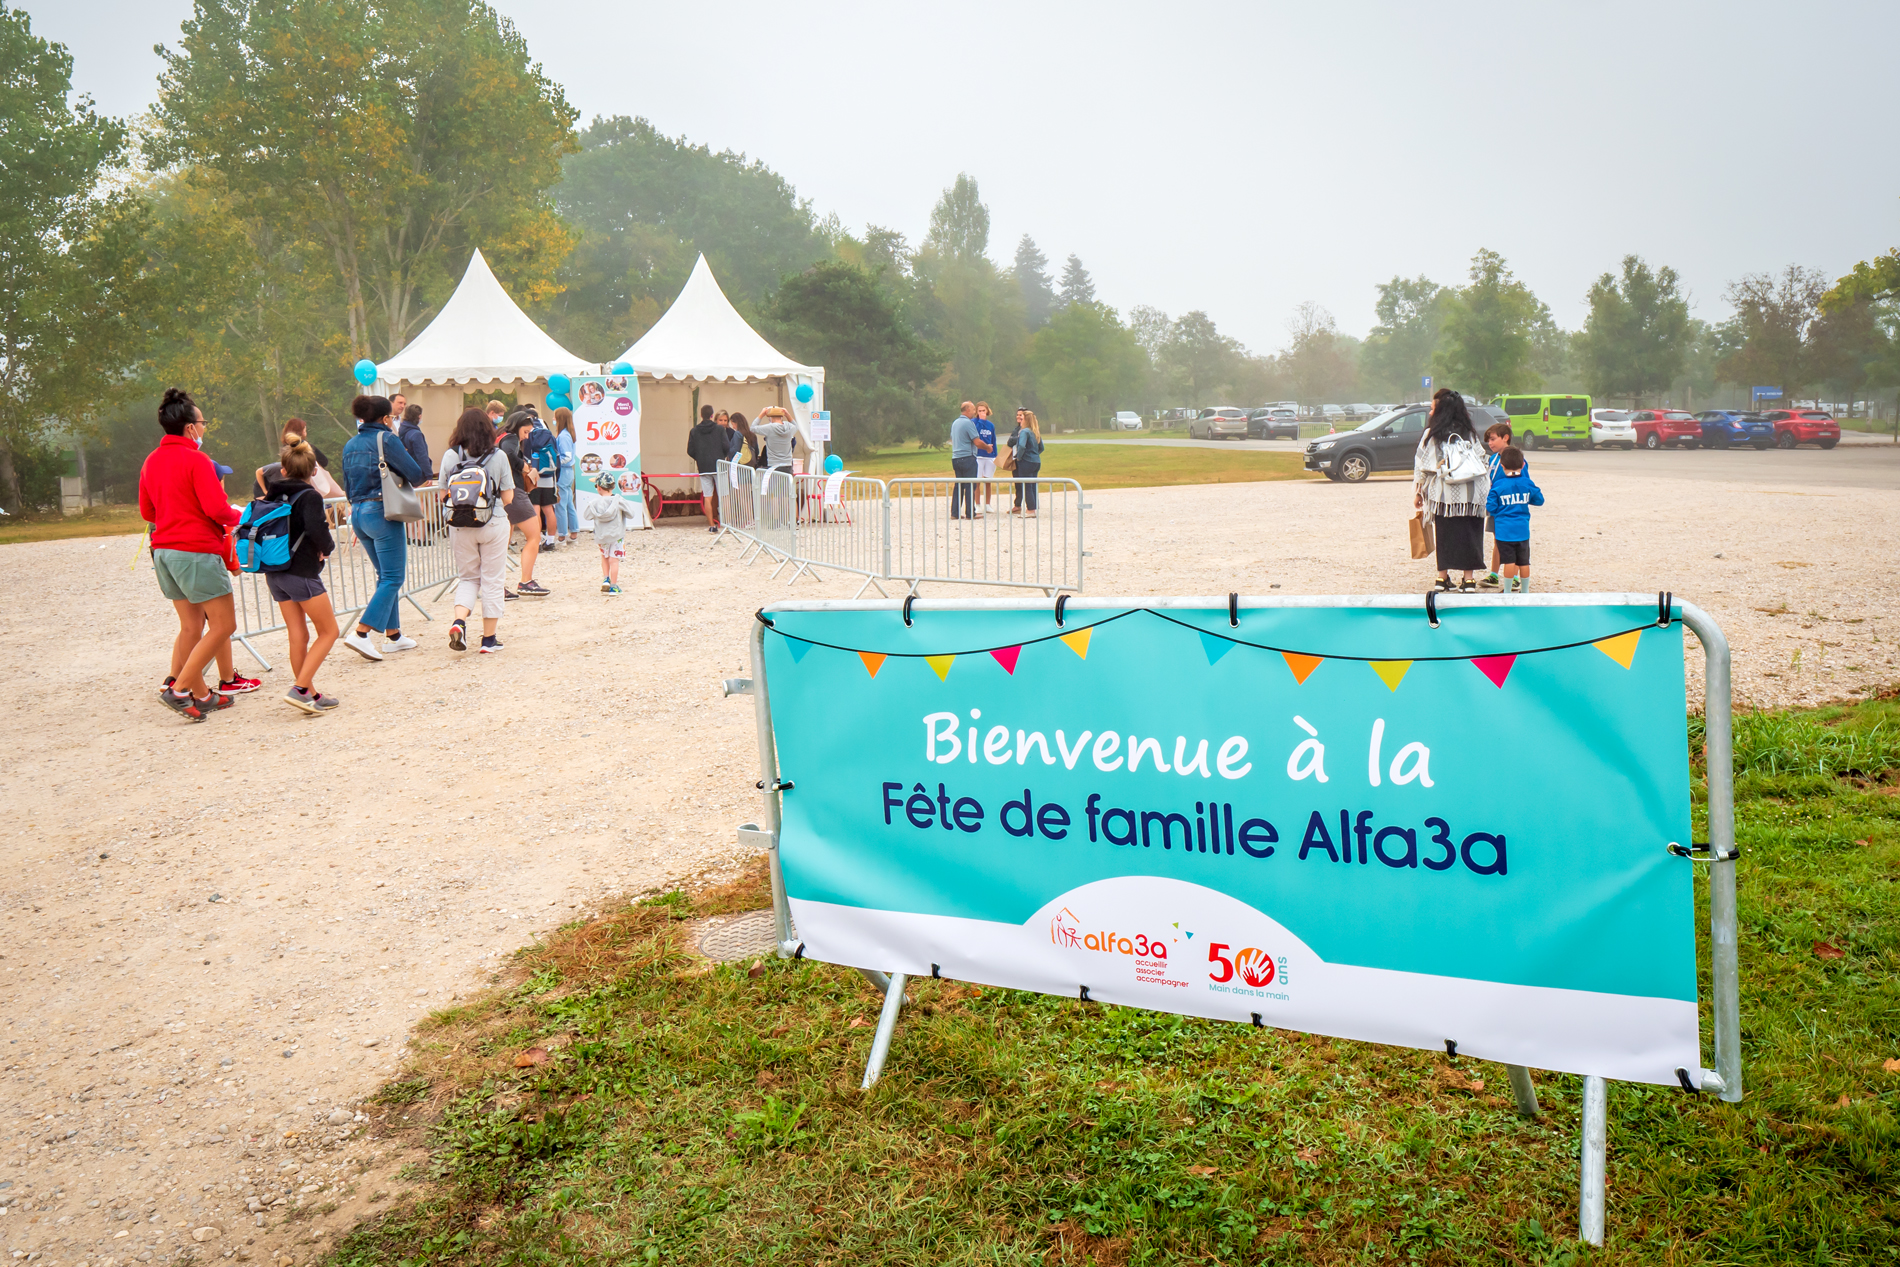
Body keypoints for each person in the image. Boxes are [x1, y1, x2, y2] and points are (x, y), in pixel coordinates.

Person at [138, 388, 243, 721]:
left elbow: (146, 511)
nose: (204, 428)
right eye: (203, 423)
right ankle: (180, 689)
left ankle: (201, 693)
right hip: (195, 550)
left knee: (191, 626)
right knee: (224, 623)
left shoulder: (152, 460)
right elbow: (216, 508)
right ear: (190, 428)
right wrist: (242, 516)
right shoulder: (196, 460)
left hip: (164, 552)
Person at [339, 393, 427, 658]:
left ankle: (393, 635)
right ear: (386, 418)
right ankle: (362, 633)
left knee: (384, 576)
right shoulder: (387, 438)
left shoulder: (350, 444)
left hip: (359, 513)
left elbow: (347, 485)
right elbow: (416, 474)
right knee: (393, 577)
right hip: (382, 511)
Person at [265, 439, 342, 713]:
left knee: (297, 634)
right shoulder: (310, 496)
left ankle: (308, 691)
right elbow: (317, 528)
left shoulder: (271, 495)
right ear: (313, 472)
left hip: (275, 573)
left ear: (283, 470)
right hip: (302, 572)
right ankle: (300, 688)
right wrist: (328, 548)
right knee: (329, 631)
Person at [438, 407, 516, 654]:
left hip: (460, 526)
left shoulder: (450, 456)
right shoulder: (499, 456)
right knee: (492, 580)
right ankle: (489, 640)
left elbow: (443, 494)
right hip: (493, 523)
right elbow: (509, 496)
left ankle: (459, 622)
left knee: (468, 577)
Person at [1412, 388, 1491, 592]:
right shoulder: (1469, 434)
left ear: (1441, 411)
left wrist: (1419, 492)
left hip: (1444, 495)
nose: (1430, 413)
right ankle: (1469, 580)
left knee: (1445, 534)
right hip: (1472, 495)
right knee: (1471, 533)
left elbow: (1421, 464)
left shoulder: (1432, 435)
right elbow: (1482, 460)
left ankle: (1442, 578)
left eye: (1432, 409)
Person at [498, 412, 548, 596]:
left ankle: (497, 585)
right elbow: (509, 455)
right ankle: (526, 581)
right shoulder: (510, 438)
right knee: (534, 535)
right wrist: (524, 466)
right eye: (525, 432)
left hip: (503, 492)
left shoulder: (500, 436)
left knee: (502, 541)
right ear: (518, 426)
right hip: (515, 491)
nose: (526, 436)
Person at [1484, 446, 1543, 593]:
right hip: (1522, 529)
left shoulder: (1498, 485)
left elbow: (1490, 506)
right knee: (1523, 562)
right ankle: (1525, 591)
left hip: (1504, 530)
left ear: (1502, 466)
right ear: (1523, 465)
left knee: (1509, 562)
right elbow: (1539, 500)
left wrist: (1500, 512)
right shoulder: (1526, 483)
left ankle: (1508, 591)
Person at [254, 418, 342, 500]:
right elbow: (324, 461)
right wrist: (265, 492)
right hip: (265, 491)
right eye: (305, 430)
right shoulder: (277, 468)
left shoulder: (280, 484)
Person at [584, 473, 642, 593]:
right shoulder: (619, 500)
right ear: (613, 487)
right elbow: (631, 514)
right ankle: (614, 586)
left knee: (604, 557)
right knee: (614, 560)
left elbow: (587, 516)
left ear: (599, 488)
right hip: (616, 536)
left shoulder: (594, 503)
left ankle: (606, 579)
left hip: (601, 536)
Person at [1479, 421, 1518, 589]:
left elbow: (1521, 481)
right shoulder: (1493, 458)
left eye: (1493, 439)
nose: (1490, 443)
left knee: (1513, 541)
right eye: (1488, 440)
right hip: (1496, 507)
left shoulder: (1516, 457)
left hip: (1510, 507)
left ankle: (1515, 576)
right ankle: (1494, 575)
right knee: (1498, 540)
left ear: (1506, 438)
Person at [688, 406, 729, 532]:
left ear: (701, 415)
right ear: (712, 416)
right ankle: (726, 525)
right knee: (724, 496)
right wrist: (722, 456)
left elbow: (690, 450)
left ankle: (711, 525)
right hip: (719, 465)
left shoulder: (694, 431)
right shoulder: (719, 429)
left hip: (704, 467)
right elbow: (726, 446)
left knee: (708, 496)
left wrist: (700, 458)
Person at [948, 401, 990, 520]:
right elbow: (976, 441)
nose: (974, 412)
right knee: (970, 485)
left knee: (959, 485)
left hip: (956, 458)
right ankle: (970, 513)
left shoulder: (955, 423)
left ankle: (955, 512)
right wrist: (987, 447)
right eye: (972, 409)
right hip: (967, 457)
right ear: (967, 410)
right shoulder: (968, 423)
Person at [524, 413, 561, 548]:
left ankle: (537, 541)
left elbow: (525, 457)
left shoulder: (528, 436)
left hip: (533, 477)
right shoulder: (549, 435)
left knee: (535, 508)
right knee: (549, 509)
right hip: (549, 476)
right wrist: (556, 476)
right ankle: (550, 541)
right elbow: (557, 459)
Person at [1009, 408, 1045, 516]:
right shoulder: (1035, 432)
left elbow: (1021, 445)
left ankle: (1030, 510)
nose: (1021, 419)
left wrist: (1019, 457)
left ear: (1026, 420)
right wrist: (1035, 454)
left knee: (1027, 485)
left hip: (1026, 461)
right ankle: (1034, 506)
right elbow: (1041, 447)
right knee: (1033, 484)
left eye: (1022, 418)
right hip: (1036, 461)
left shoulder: (1024, 431)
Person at [552, 407, 579, 544]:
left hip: (563, 471)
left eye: (554, 417)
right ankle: (573, 532)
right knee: (568, 503)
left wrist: (554, 463)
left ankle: (562, 535)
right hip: (569, 471)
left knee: (560, 505)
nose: (553, 420)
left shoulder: (562, 436)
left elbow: (566, 457)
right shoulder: (569, 434)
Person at [752, 406, 800, 477]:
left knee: (774, 487)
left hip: (773, 465)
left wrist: (761, 414)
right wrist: (787, 414)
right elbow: (796, 426)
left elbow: (752, 428)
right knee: (786, 487)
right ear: (782, 417)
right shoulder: (790, 427)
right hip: (787, 465)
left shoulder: (769, 428)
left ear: (770, 418)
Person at [973, 401, 999, 514]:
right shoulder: (973, 422)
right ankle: (977, 504)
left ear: (987, 411)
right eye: (980, 411)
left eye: (984, 410)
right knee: (977, 481)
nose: (982, 413)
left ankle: (988, 504)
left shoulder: (991, 425)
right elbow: (976, 433)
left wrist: (995, 456)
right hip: (978, 455)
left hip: (989, 456)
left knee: (988, 480)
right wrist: (981, 420)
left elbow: (993, 440)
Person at [395, 402, 432, 481]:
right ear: (419, 416)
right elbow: (422, 456)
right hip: (418, 473)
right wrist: (429, 475)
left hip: (407, 471)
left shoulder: (402, 430)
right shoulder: (416, 434)